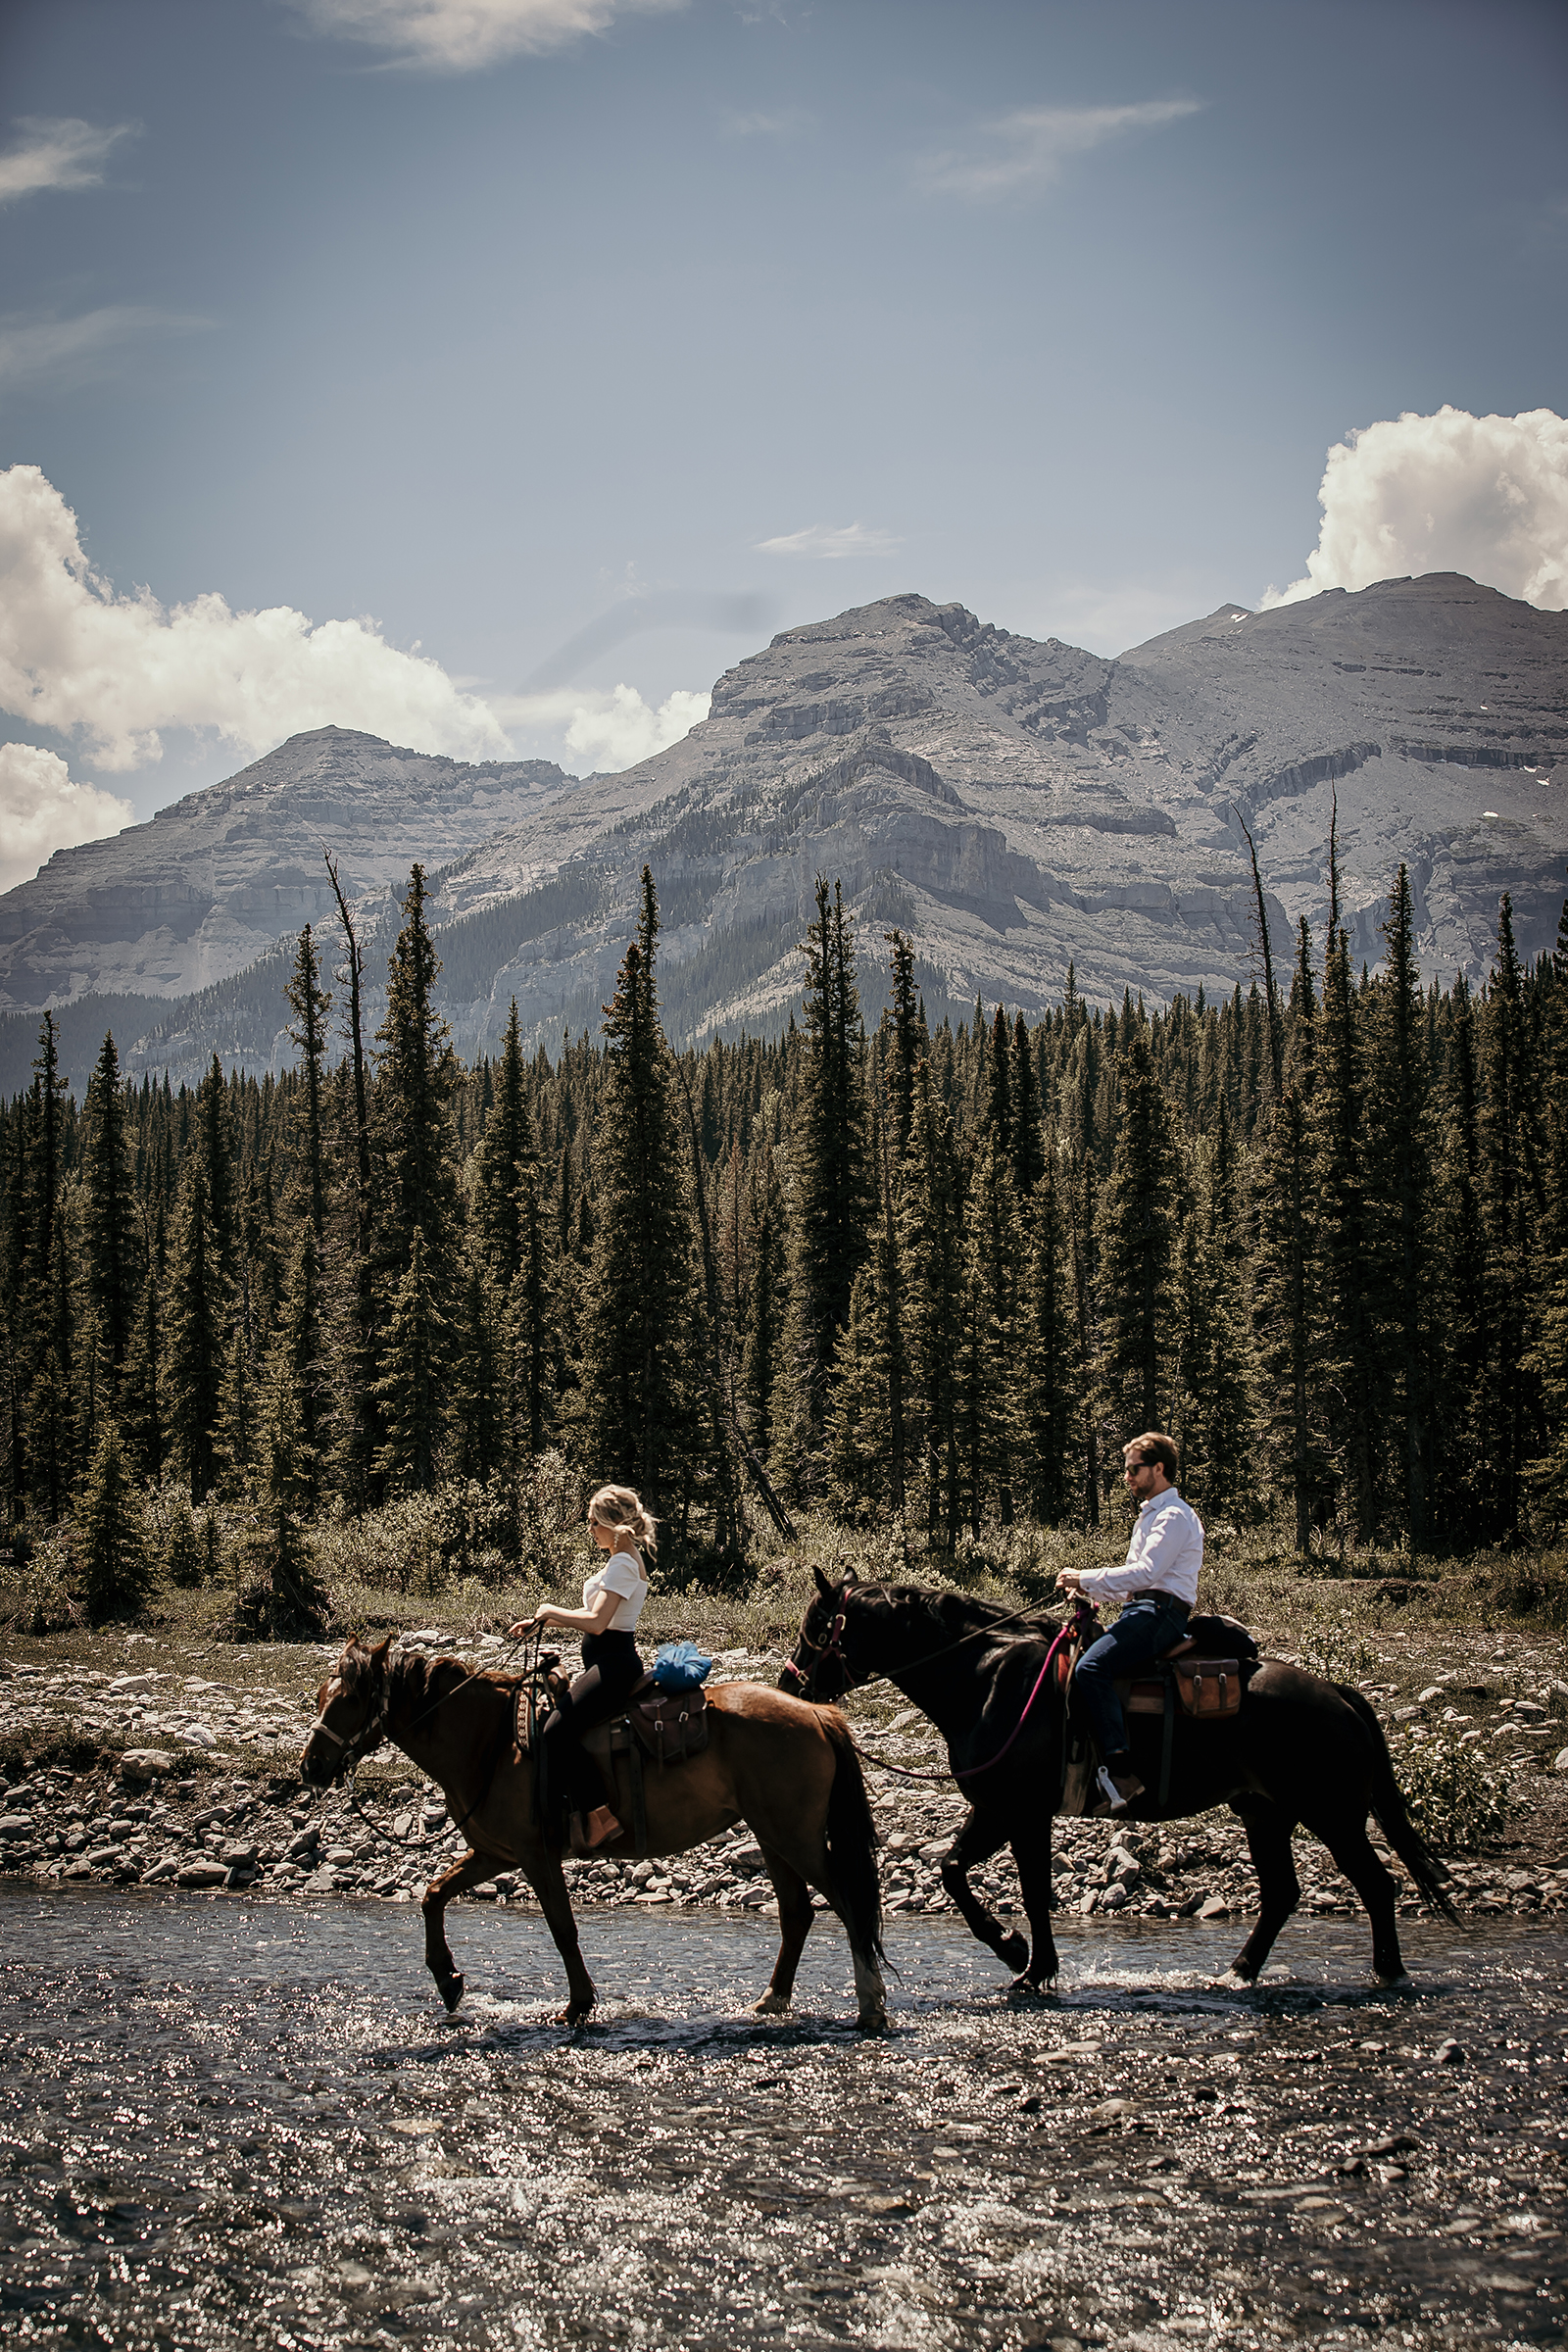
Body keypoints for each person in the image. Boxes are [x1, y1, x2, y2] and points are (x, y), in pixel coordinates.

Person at [1055, 1432, 1203, 1816]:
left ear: (1159, 1468)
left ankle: (1120, 1772)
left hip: (1161, 1614)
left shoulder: (1172, 1516)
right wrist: (1090, 1594)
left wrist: (1083, 1577)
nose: (1127, 1477)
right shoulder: (1151, 1517)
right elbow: (1136, 1586)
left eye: (1133, 1469)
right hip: (1145, 1609)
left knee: (1091, 1668)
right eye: (1126, 1470)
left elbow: (1146, 1572)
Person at [508, 1483, 655, 1851]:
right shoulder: (624, 1557)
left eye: (593, 1522)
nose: (589, 1529)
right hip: (610, 1661)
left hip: (615, 1665)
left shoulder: (622, 1562)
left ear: (611, 1522)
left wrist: (549, 1611)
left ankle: (598, 1815)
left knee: (555, 1730)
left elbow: (597, 1621)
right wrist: (542, 1623)